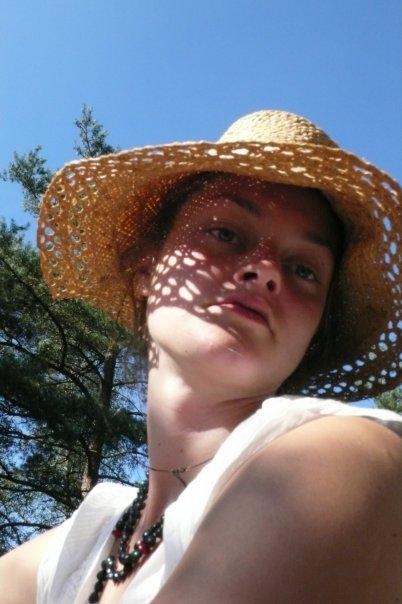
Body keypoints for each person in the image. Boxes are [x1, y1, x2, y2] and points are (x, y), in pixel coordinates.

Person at [1, 109, 401, 603]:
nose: (265, 269)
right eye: (226, 234)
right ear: (146, 270)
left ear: (314, 331)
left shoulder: (347, 454)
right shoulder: (83, 541)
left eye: (304, 269)